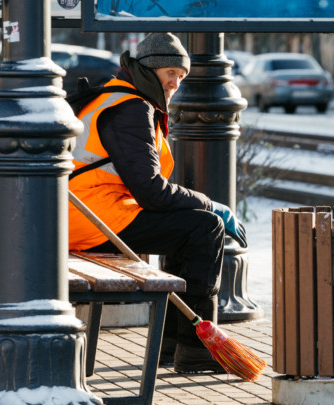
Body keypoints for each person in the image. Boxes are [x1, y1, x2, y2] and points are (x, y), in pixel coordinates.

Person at [68, 32, 245, 374]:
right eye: (171, 74)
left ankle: (172, 344)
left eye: (182, 75)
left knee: (189, 225)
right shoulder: (131, 108)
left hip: (83, 213)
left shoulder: (115, 97)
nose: (176, 83)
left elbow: (147, 189)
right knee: (206, 227)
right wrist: (211, 205)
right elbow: (152, 192)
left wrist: (197, 204)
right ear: (150, 70)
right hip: (91, 219)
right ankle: (194, 349)